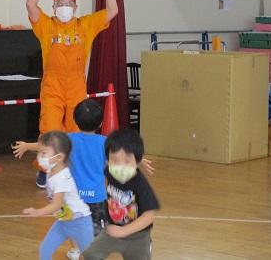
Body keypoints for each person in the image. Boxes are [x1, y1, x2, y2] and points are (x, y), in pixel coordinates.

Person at [13, 99, 155, 260]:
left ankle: (79, 249)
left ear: (74, 120)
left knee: (73, 223)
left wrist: (26, 146)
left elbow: (47, 146)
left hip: (73, 198)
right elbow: (122, 154)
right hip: (97, 199)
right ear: (101, 122)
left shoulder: (69, 139)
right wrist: (140, 160)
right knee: (98, 231)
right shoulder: (104, 142)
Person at [26, 0, 118, 187]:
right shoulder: (46, 25)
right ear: (55, 6)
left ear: (75, 7)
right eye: (60, 3)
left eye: (69, 2)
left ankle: (74, 170)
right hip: (52, 85)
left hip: (77, 85)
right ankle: (45, 170)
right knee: (50, 128)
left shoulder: (85, 25)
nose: (65, 6)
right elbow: (30, 5)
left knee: (77, 131)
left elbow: (113, 10)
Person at [82, 129, 160, 260]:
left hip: (138, 237)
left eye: (127, 161)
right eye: (115, 160)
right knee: (89, 255)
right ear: (108, 160)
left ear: (136, 161)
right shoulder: (109, 171)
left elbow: (149, 215)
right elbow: (106, 176)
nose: (120, 166)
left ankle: (148, 245)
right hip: (111, 231)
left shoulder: (140, 184)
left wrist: (124, 231)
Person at [22, 131, 93, 260]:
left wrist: (38, 212)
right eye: (39, 152)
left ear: (59, 157)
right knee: (44, 250)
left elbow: (57, 204)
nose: (39, 156)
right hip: (63, 223)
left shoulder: (62, 178)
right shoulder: (51, 171)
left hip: (81, 224)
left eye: (43, 153)